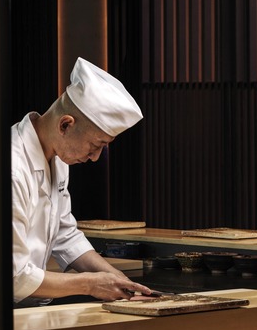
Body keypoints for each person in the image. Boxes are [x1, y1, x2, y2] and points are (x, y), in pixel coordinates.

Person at [12, 57, 152, 306]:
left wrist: (116, 278)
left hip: (29, 310)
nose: (96, 157)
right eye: (95, 145)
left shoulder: (59, 159)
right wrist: (91, 284)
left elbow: (66, 235)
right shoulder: (12, 168)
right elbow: (14, 276)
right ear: (66, 124)